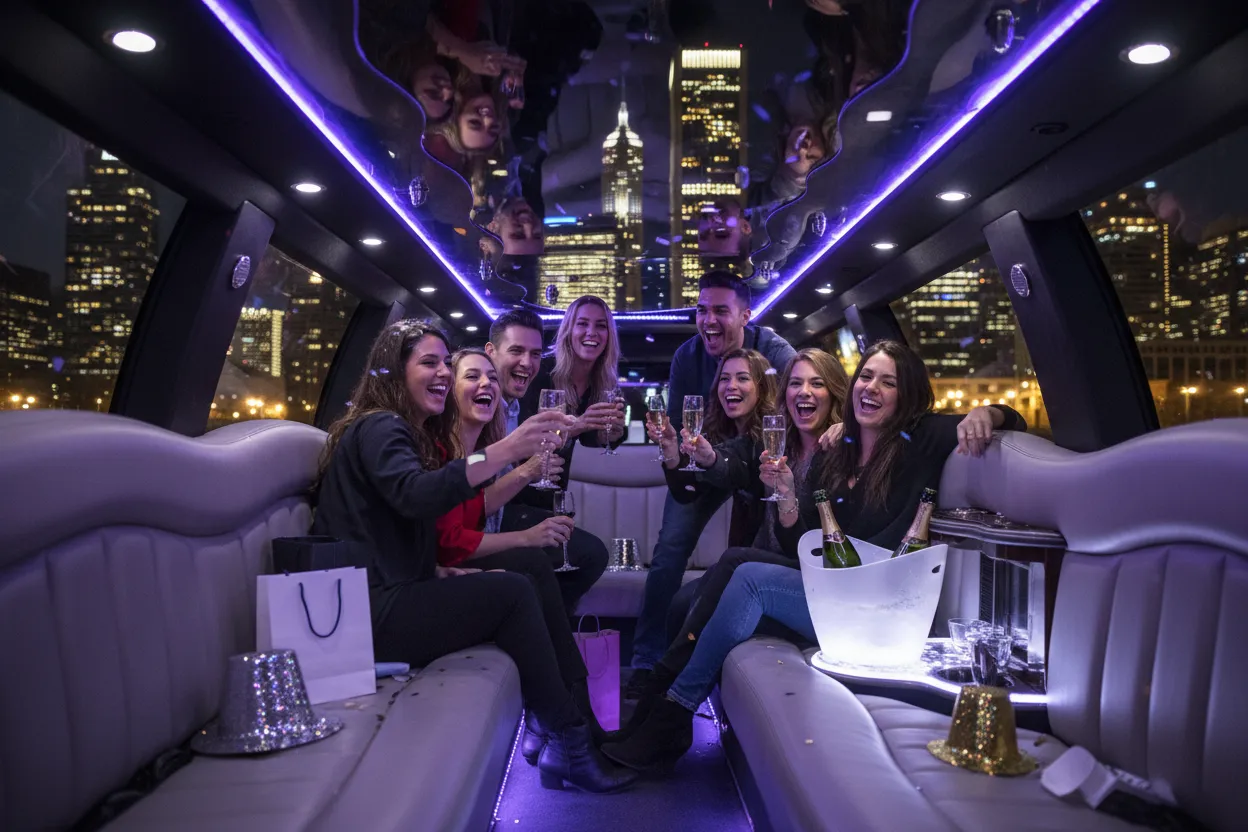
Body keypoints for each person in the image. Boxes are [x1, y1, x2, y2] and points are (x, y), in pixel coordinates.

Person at [602, 340, 1027, 771]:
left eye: (888, 382)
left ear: (908, 396)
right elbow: (803, 547)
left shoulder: (920, 439)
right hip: (835, 593)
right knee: (736, 572)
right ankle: (663, 713)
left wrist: (988, 413)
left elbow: (1015, 421)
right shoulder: (836, 453)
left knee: (743, 573)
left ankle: (670, 713)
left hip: (881, 608)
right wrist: (787, 495)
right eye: (866, 376)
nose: (872, 388)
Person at [310, 320, 635, 792]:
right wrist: (507, 451)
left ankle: (572, 726)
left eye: (445, 362)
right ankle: (568, 738)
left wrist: (436, 565)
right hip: (362, 617)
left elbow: (411, 519)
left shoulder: (405, 433)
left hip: (387, 597)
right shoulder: (381, 427)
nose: (443, 372)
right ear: (392, 372)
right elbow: (417, 496)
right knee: (512, 591)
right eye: (429, 362)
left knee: (524, 574)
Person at [623, 348, 848, 727]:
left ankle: (662, 705)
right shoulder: (774, 444)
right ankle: (664, 700)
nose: (731, 386)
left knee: (734, 564)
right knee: (682, 602)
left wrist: (986, 412)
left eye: (816, 384)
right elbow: (722, 468)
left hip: (807, 579)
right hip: (766, 560)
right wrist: (684, 455)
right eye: (796, 384)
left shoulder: (840, 450)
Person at [436, 347, 610, 767]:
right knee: (528, 573)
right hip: (429, 579)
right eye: (472, 377)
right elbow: (452, 540)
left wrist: (528, 471)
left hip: (459, 553)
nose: (487, 385)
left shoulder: (476, 446)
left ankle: (574, 722)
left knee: (544, 568)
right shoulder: (441, 448)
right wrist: (525, 536)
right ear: (447, 389)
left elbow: (476, 509)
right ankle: (572, 729)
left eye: (490, 379)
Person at [628, 270, 797, 697]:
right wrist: (691, 456)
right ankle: (647, 659)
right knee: (671, 547)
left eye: (721, 311)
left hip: (765, 462)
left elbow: (802, 407)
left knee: (758, 542)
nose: (708, 321)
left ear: (746, 315)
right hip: (713, 457)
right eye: (701, 311)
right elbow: (688, 431)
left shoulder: (775, 351)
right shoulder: (689, 356)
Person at [484, 307, 612, 614]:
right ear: (490, 352)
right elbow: (468, 472)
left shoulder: (512, 408)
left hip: (500, 515)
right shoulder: (478, 405)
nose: (527, 363)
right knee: (572, 557)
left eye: (535, 354)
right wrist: (528, 469)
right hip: (478, 528)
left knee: (579, 551)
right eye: (516, 351)